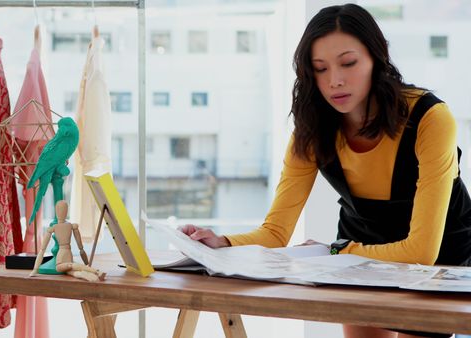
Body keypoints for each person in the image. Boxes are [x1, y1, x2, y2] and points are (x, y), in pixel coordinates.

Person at [180, 4, 471, 338]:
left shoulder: (430, 118)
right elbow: (276, 233)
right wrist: (223, 242)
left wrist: (334, 252)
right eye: (320, 69)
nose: (335, 80)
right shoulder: (312, 130)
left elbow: (421, 252)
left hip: (435, 252)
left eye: (349, 63)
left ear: (377, 58)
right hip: (362, 245)